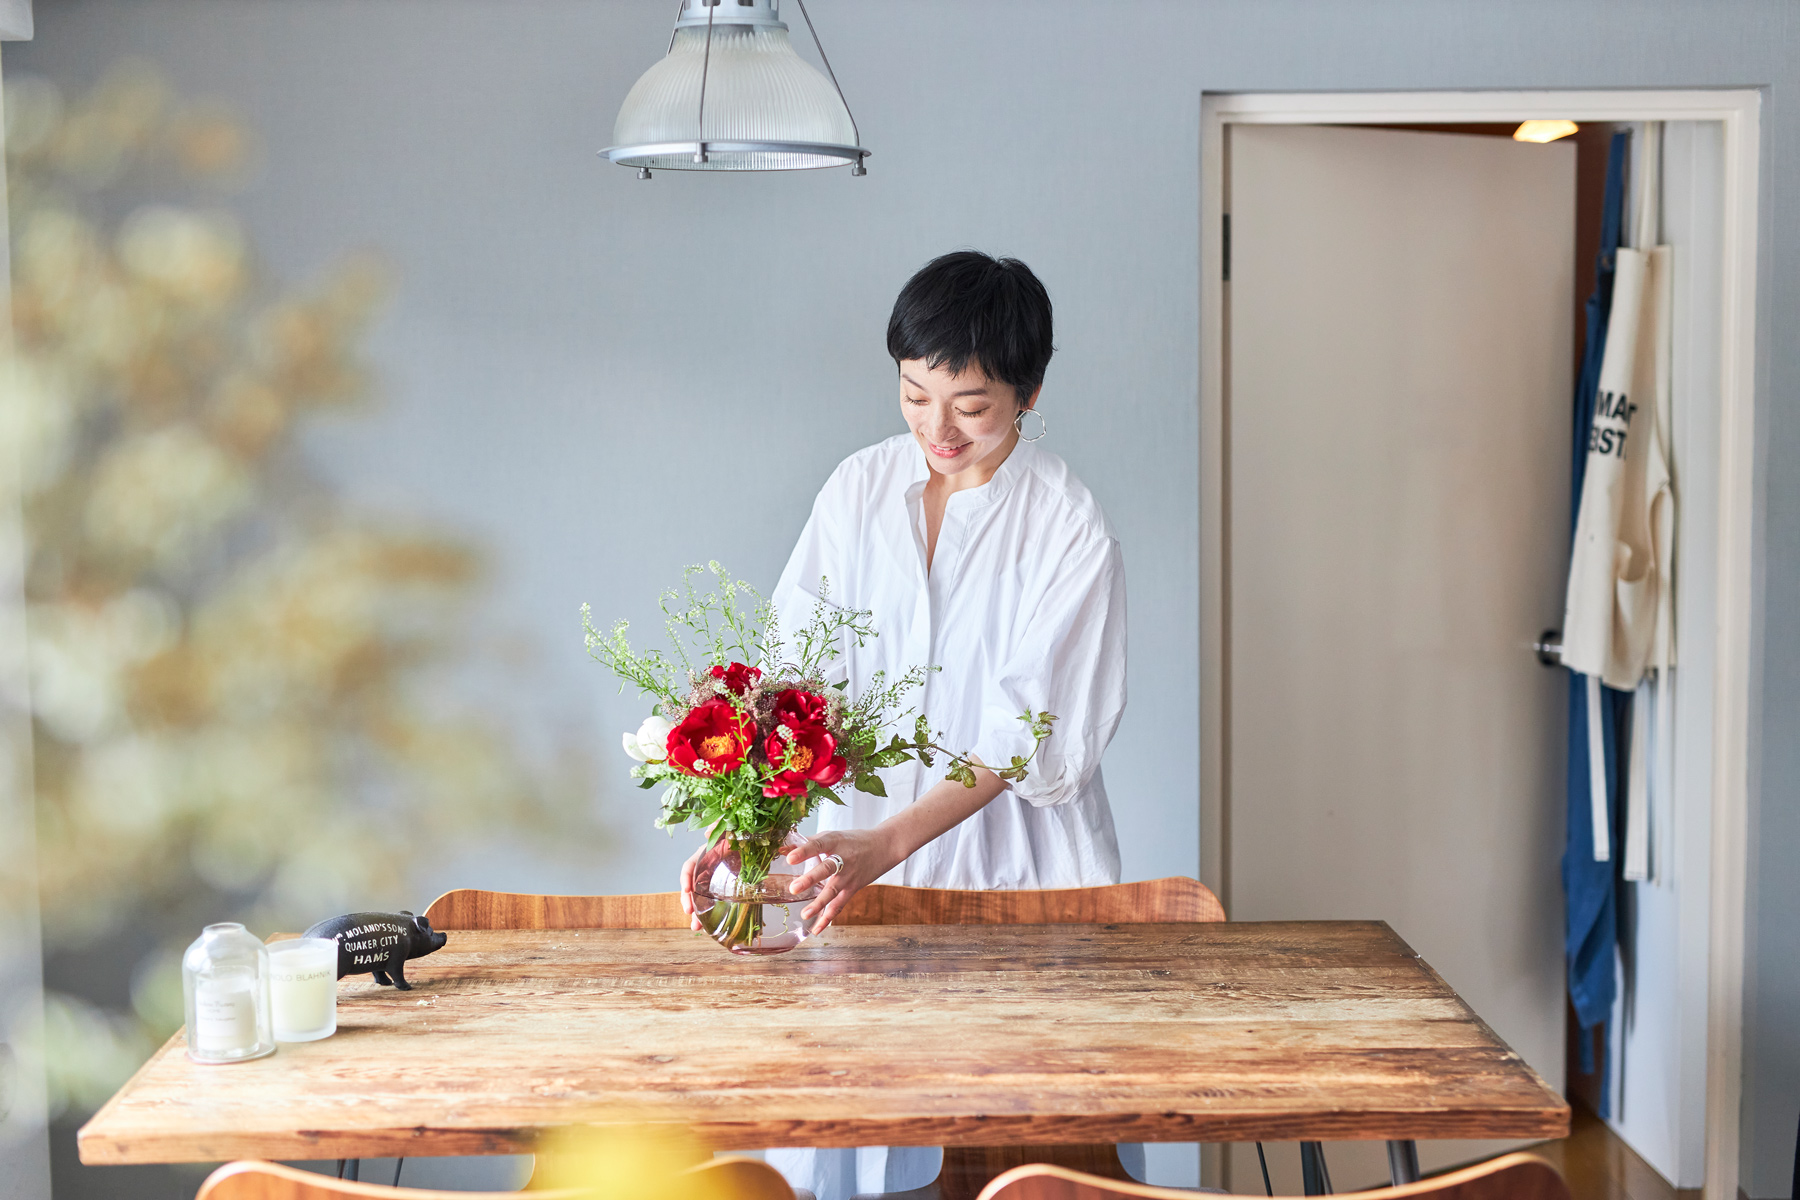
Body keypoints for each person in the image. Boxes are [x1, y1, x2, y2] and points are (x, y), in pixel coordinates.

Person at [679, 250, 1130, 1200]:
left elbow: (1025, 732)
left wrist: (889, 841)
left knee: (1013, 1156)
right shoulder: (858, 489)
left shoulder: (1068, 526)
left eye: (970, 405)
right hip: (854, 859)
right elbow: (793, 678)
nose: (939, 428)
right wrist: (748, 825)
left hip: (1014, 869)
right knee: (842, 1129)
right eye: (916, 394)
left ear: (1031, 391)